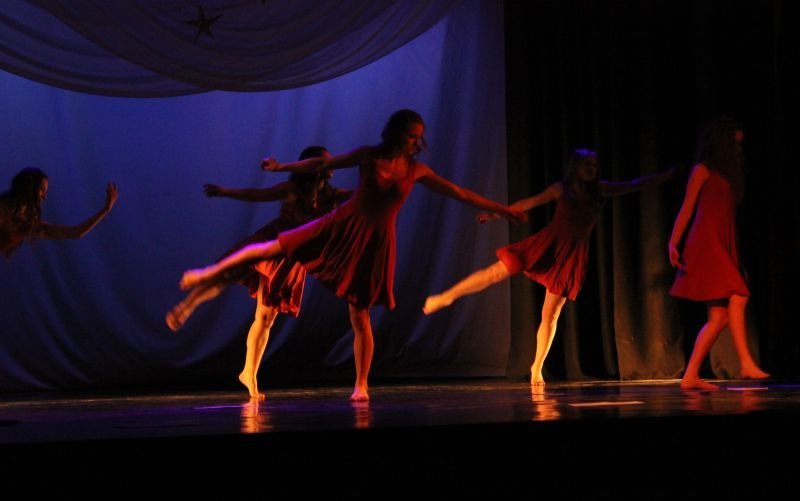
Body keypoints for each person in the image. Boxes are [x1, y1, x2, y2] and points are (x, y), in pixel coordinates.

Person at [178, 109, 525, 401]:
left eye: (419, 137)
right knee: (274, 246)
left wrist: (502, 209)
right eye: (410, 135)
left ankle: (361, 385)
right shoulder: (367, 156)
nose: (415, 142)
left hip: (373, 243)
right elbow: (324, 163)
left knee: (359, 315)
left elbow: (458, 192)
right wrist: (282, 167)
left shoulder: (415, 171)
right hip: (341, 225)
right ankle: (208, 273)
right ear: (396, 133)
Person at [423, 148, 674, 386]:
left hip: (570, 257)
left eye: (595, 165)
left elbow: (634, 184)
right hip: (546, 246)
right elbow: (528, 203)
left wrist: (666, 176)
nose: (592, 169)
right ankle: (446, 297)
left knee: (551, 315)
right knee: (495, 272)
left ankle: (537, 366)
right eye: (587, 165)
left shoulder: (600, 190)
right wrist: (496, 214)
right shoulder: (561, 189)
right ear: (576, 167)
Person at [166, 146, 352, 398]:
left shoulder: (332, 196)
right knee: (229, 273)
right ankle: (187, 305)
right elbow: (257, 194)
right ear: (310, 166)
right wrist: (226, 192)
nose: (330, 166)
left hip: (289, 259)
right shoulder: (292, 189)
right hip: (269, 243)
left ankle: (249, 373)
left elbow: (362, 197)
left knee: (265, 319)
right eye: (323, 162)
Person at [668, 117, 769, 390]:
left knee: (719, 317)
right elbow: (687, 207)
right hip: (706, 241)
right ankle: (746, 364)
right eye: (734, 144)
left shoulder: (729, 175)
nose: (738, 150)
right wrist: (673, 243)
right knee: (740, 294)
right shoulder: (703, 169)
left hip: (723, 241)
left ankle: (690, 376)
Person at [0, 167, 117, 259]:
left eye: (46, 192)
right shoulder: (3, 207)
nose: (44, 197)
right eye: (42, 190)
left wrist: (105, 210)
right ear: (29, 187)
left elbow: (75, 232)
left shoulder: (27, 225)